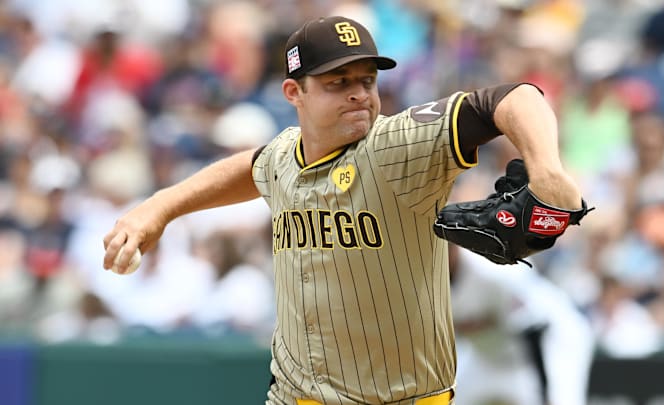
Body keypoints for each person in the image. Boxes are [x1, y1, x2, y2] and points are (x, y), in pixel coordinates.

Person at [102, 16, 583, 405]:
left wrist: (548, 171)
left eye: (367, 80)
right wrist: (158, 208)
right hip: (295, 395)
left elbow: (511, 98)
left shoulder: (397, 145)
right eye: (338, 82)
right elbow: (251, 168)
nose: (359, 93)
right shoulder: (284, 156)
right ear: (295, 93)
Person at [449, 243, 595, 405]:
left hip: (553, 341)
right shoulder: (425, 278)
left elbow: (534, 327)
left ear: (453, 248)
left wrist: (545, 392)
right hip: (492, 354)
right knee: (451, 398)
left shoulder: (496, 269)